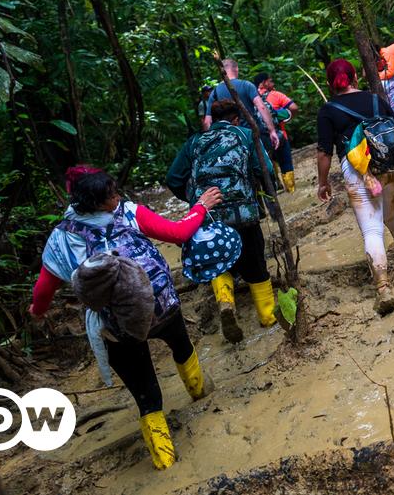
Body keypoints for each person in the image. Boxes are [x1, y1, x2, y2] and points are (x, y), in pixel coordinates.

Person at [29, 167, 223, 470]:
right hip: (161, 306)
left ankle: (166, 465)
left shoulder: (60, 238)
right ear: (97, 201)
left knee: (146, 393)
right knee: (182, 348)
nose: (118, 197)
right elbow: (178, 233)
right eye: (111, 195)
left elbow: (44, 289)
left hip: (115, 326)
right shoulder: (129, 212)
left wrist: (36, 313)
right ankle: (200, 394)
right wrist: (201, 207)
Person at [167, 99, 277, 342]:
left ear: (212, 120)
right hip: (244, 215)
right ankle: (268, 318)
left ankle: (226, 303)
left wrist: (195, 202)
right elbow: (265, 169)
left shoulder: (194, 141)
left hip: (207, 214)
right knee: (256, 264)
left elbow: (174, 178)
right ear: (236, 119)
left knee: (218, 261)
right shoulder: (246, 134)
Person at [315, 59, 394, 315]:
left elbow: (324, 154)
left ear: (330, 84)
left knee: (372, 229)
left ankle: (383, 287)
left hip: (358, 169)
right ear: (355, 79)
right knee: (391, 215)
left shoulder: (328, 110)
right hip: (390, 164)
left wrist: (323, 182)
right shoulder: (375, 99)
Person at [202, 59, 280, 153]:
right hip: (251, 134)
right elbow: (261, 107)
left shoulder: (215, 92)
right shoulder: (246, 85)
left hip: (229, 139)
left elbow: (207, 122)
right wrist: (272, 131)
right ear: (236, 69)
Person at [254, 72, 298, 193]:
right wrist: (285, 117)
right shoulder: (276, 94)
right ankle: (291, 189)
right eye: (270, 81)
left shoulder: (251, 98)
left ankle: (272, 188)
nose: (273, 84)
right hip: (279, 135)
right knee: (285, 162)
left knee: (268, 162)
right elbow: (294, 107)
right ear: (263, 83)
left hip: (261, 139)